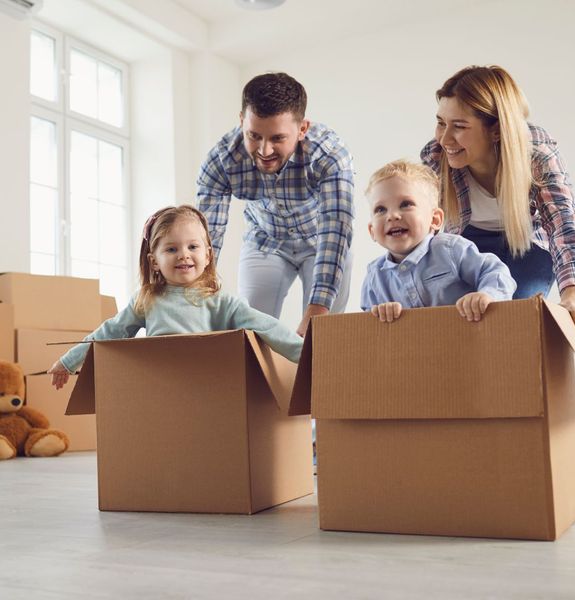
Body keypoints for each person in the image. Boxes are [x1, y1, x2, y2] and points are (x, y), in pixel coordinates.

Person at [421, 65, 575, 339]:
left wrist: (574, 293)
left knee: (510, 321)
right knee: (458, 319)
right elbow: (424, 231)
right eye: (441, 122)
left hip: (523, 246)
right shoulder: (435, 156)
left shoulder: (535, 153)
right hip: (467, 245)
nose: (444, 139)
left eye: (459, 126)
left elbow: (564, 222)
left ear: (496, 131)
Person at [48, 205, 304, 389]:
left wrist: (307, 355)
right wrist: (68, 362)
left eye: (193, 247)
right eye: (171, 249)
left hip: (210, 389)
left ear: (207, 255)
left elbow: (267, 327)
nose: (183, 254)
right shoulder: (147, 300)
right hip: (160, 389)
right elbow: (110, 331)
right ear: (155, 261)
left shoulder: (223, 303)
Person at [196, 72, 354, 337]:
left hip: (321, 242)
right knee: (250, 332)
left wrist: (317, 310)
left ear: (302, 128)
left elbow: (336, 229)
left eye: (278, 138)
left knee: (324, 335)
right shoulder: (222, 159)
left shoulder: (330, 155)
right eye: (254, 135)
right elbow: (205, 237)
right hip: (265, 240)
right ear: (241, 121)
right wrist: (193, 298)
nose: (264, 150)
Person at [361, 160, 516, 322]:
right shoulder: (374, 277)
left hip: (465, 340)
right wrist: (379, 314)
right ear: (372, 231)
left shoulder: (450, 250)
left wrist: (486, 295)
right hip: (411, 346)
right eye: (380, 209)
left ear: (435, 219)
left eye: (405, 204)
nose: (392, 216)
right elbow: (366, 327)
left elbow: (495, 271)